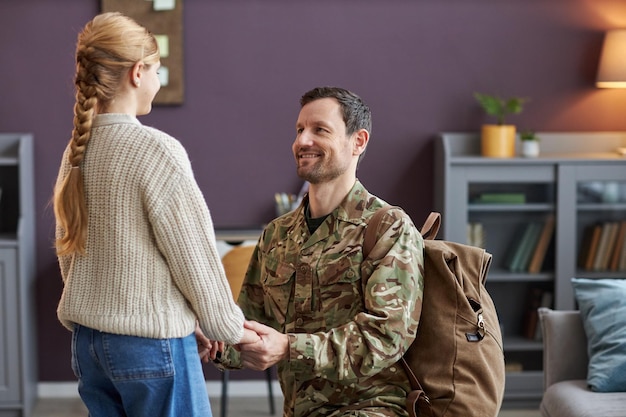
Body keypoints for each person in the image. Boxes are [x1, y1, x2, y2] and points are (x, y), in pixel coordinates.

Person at [52, 12, 258, 417]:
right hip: (150, 346)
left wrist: (183, 322)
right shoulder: (156, 150)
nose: (158, 81)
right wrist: (228, 329)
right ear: (137, 72)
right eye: (157, 70)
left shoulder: (76, 151)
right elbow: (194, 258)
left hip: (90, 346)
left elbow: (68, 251)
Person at [215, 87, 425, 417]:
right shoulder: (277, 233)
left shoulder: (388, 227)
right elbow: (251, 323)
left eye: (320, 130)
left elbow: (385, 337)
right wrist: (209, 341)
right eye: (300, 130)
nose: (303, 141)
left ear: (358, 141)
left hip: (371, 408)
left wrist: (288, 348)